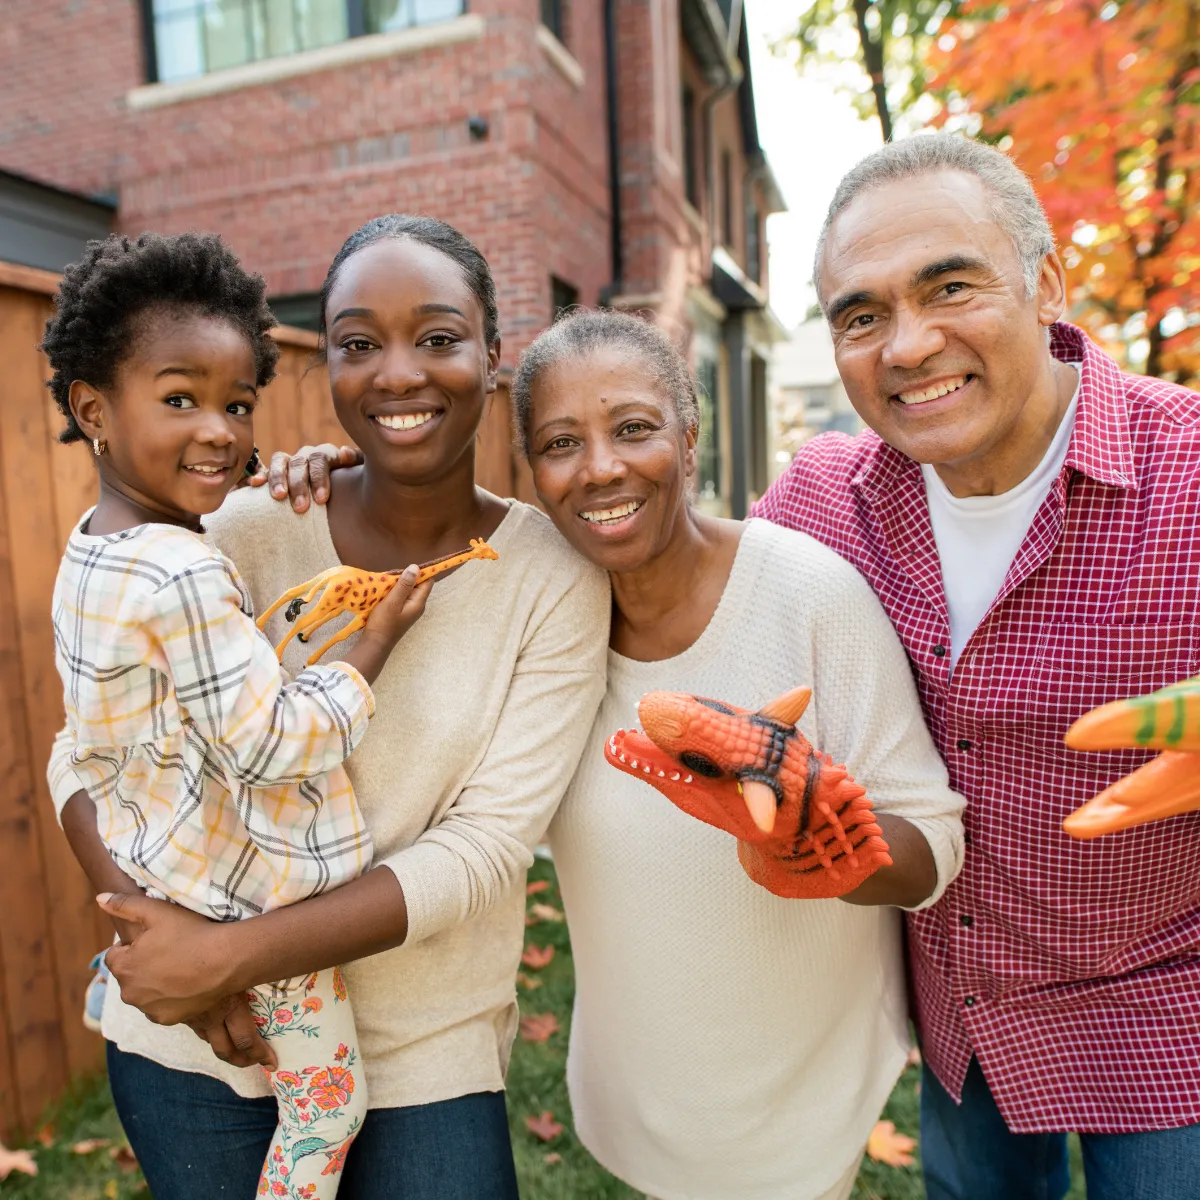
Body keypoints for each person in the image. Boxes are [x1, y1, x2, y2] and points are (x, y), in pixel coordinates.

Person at [255, 308, 967, 1199]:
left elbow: (932, 845)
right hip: (635, 1093)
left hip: (797, 1093)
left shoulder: (811, 594)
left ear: (689, 429)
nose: (601, 468)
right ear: (532, 471)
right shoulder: (537, 614)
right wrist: (331, 473)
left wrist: (817, 839)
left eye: (634, 428)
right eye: (560, 443)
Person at [50, 215, 609, 1200]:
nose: (397, 373)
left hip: (421, 1047)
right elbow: (88, 746)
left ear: (490, 359)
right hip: (194, 1043)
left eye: (438, 338)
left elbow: (482, 850)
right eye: (358, 343)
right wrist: (158, 942)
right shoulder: (228, 525)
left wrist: (226, 956)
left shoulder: (550, 578)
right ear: (332, 369)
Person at [752, 133, 1200, 1199]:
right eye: (861, 315)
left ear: (1045, 284)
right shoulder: (826, 497)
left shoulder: (1189, 468)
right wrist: (368, 491)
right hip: (962, 1021)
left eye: (950, 286)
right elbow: (661, 573)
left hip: (1165, 1013)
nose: (907, 345)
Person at [45, 231, 432, 1198]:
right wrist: (371, 647)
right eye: (180, 399)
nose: (218, 429)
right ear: (93, 408)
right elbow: (268, 746)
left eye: (236, 403)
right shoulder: (182, 570)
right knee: (325, 1108)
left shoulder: (96, 547)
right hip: (246, 897)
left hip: (154, 861)